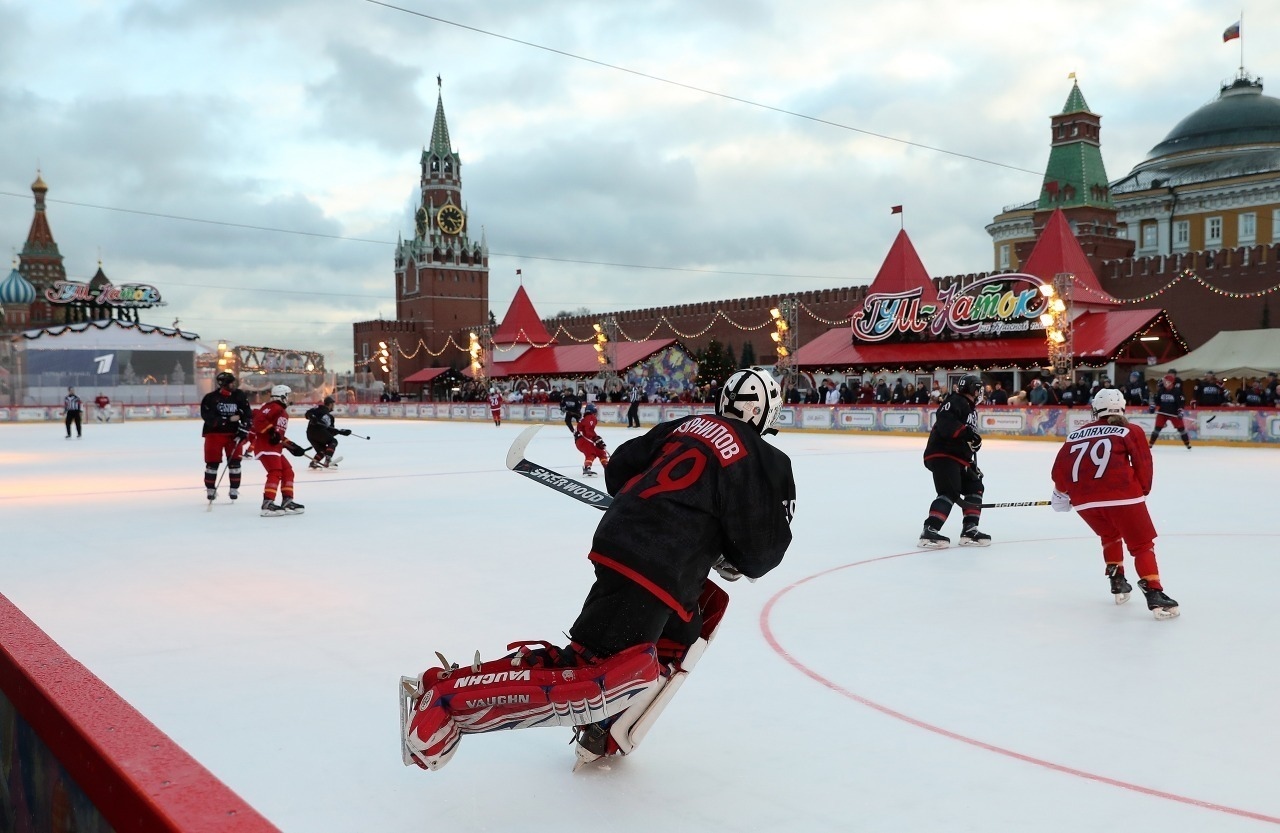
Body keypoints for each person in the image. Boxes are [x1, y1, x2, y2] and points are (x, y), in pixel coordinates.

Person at [400, 367, 796, 772]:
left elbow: (619, 470)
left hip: (624, 541)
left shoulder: (684, 424)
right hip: (662, 566)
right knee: (587, 669)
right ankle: (448, 702)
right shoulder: (764, 458)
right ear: (765, 414)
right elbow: (761, 552)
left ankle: (606, 727)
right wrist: (724, 549)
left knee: (684, 635)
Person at [1050, 389, 1179, 619]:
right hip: (1123, 498)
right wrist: (1142, 491)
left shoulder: (1075, 434)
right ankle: (1155, 593)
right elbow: (1143, 463)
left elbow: (1060, 468)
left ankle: (1117, 580)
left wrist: (1061, 494)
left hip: (1085, 503)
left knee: (1109, 535)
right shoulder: (1130, 430)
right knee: (1141, 545)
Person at [918, 374, 989, 548]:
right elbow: (946, 425)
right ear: (972, 389)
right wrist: (969, 435)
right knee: (949, 492)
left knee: (975, 486)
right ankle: (929, 531)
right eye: (978, 389)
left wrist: (971, 463)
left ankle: (969, 530)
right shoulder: (955, 401)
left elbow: (965, 438)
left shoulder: (968, 408)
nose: (980, 393)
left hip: (957, 458)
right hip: (943, 455)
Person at [250, 385, 308, 516]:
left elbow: (279, 436)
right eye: (288, 395)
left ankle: (287, 500)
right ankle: (267, 504)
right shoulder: (272, 407)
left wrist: (293, 446)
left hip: (274, 448)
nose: (290, 398)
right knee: (275, 471)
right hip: (266, 447)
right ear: (282, 396)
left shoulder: (282, 411)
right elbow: (258, 420)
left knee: (288, 471)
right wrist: (271, 431)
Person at [200, 372, 253, 501]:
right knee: (212, 464)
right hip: (214, 434)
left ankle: (234, 488)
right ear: (222, 384)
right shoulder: (210, 398)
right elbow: (207, 417)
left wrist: (244, 428)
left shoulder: (239, 395)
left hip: (233, 435)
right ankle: (210, 489)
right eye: (231, 383)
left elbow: (247, 413)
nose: (233, 385)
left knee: (235, 463)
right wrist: (228, 419)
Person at [304, 395, 349, 469]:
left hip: (310, 434)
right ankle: (328, 460)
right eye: (333, 404)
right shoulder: (319, 409)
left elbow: (331, 432)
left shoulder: (330, 417)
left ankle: (314, 462)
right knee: (333, 441)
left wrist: (341, 432)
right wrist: (312, 417)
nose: (333, 406)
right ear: (330, 404)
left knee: (322, 450)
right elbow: (308, 414)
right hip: (318, 431)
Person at [1148, 373, 1191, 449]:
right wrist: (1152, 407)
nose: (1164, 383)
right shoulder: (1161, 390)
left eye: (1165, 381)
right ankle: (1150, 444)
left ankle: (1187, 444)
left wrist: (1180, 412)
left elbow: (1181, 404)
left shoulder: (1177, 392)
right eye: (1164, 381)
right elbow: (1156, 401)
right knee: (1157, 429)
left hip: (1174, 413)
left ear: (1170, 382)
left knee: (1181, 429)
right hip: (1162, 413)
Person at [574, 401, 610, 477]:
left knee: (600, 451)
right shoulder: (590, 417)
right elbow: (588, 431)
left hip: (582, 439)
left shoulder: (587, 418)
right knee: (591, 452)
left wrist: (597, 439)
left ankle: (608, 468)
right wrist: (596, 439)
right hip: (583, 439)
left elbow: (589, 431)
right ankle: (587, 468)